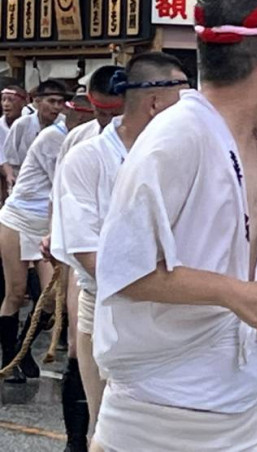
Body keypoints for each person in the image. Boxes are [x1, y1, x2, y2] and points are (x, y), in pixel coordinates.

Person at [91, 0, 257, 452]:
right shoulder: (177, 136)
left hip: (236, 410)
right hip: (158, 416)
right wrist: (240, 294)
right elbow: (120, 269)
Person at [51, 53, 189, 450]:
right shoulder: (86, 156)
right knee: (109, 429)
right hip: (110, 302)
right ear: (154, 102)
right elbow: (88, 253)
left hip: (175, 308)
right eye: (183, 94)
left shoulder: (179, 155)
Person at [0, 89, 93, 383]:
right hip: (20, 216)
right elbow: (66, 187)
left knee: (52, 301)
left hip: (49, 223)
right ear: (74, 112)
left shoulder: (87, 136)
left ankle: (20, 348)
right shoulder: (54, 137)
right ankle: (10, 359)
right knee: (15, 292)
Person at [1, 79, 67, 192]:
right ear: (38, 101)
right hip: (25, 186)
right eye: (51, 101)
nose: (56, 107)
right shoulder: (22, 124)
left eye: (60, 102)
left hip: (55, 186)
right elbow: (10, 160)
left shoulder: (65, 124)